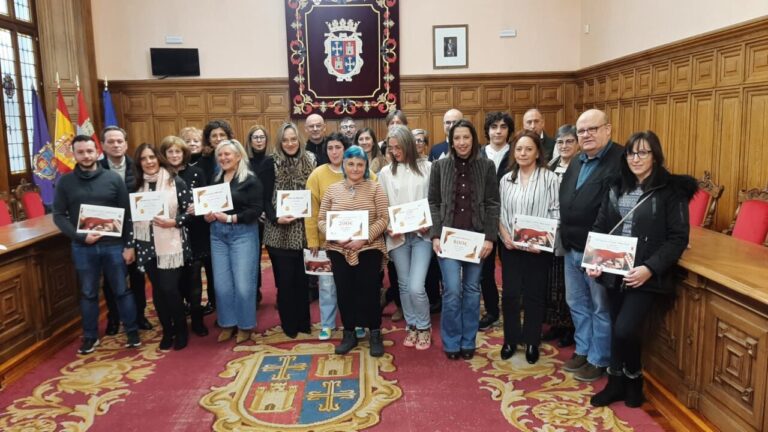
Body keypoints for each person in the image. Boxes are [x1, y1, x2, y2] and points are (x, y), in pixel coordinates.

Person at [588, 130, 695, 408]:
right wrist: (595, 261)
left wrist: (649, 268)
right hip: (613, 269)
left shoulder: (671, 189)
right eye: (631, 153)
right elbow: (601, 226)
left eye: (643, 152)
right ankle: (616, 383)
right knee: (617, 328)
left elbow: (678, 238)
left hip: (644, 273)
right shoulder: (615, 184)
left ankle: (634, 379)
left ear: (655, 155)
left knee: (625, 329)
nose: (636, 158)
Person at [53, 135, 141, 354]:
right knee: (88, 293)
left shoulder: (113, 179)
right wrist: (79, 236)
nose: (86, 156)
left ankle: (132, 333)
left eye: (89, 151)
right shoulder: (65, 181)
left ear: (97, 152)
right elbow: (58, 215)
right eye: (80, 152)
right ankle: (90, 337)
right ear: (74, 154)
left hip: (114, 244)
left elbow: (127, 215)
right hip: (83, 247)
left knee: (122, 290)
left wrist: (129, 245)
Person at [559, 109, 624, 382]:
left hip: (599, 250)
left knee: (600, 307)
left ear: (607, 129)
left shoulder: (620, 161)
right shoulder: (577, 161)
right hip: (571, 246)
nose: (585, 135)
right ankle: (584, 349)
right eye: (581, 131)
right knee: (576, 302)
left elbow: (616, 209)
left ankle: (599, 358)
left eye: (592, 129)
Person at [428, 119, 500, 360]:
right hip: (448, 239)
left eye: (466, 137)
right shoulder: (439, 166)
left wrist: (490, 238)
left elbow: (492, 203)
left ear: (474, 139)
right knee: (451, 290)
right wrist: (436, 235)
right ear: (451, 141)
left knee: (470, 291)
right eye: (457, 138)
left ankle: (468, 340)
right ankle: (451, 341)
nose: (461, 142)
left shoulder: (487, 166)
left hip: (476, 239)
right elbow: (434, 203)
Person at [318, 145, 389, 357]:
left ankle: (375, 332)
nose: (355, 168)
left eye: (360, 164)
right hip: (338, 249)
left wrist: (363, 238)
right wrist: (334, 235)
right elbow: (321, 220)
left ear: (366, 166)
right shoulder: (332, 190)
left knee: (369, 291)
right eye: (351, 164)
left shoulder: (375, 187)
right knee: (344, 291)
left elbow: (384, 218)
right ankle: (349, 333)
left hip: (368, 247)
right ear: (344, 165)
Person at [497, 131, 560, 364]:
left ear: (537, 152)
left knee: (534, 296)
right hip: (511, 247)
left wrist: (542, 242)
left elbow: (556, 212)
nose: (523, 153)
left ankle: (532, 341)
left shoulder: (549, 178)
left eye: (528, 149)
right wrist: (505, 238)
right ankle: (511, 339)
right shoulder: (506, 179)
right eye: (519, 149)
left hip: (537, 250)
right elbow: (500, 213)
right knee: (511, 295)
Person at [132, 143, 192, 351]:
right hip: (147, 245)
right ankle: (168, 331)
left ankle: (182, 330)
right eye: (143, 159)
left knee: (170, 289)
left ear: (159, 158)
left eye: (152, 157)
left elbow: (191, 213)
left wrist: (174, 221)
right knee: (158, 291)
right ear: (139, 163)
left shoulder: (176, 182)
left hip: (171, 243)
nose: (148, 162)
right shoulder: (135, 185)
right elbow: (130, 219)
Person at [379, 125, 433, 350]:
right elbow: (382, 205)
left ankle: (424, 326)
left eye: (398, 147)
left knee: (416, 286)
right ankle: (411, 325)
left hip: (422, 235)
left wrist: (427, 222)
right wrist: (389, 227)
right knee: (402, 284)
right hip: (398, 236)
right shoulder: (385, 173)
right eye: (390, 148)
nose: (394, 152)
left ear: (409, 144)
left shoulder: (428, 167)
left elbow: (434, 200)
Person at [205, 139, 264, 344]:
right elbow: (209, 206)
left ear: (238, 156)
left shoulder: (250, 180)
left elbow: (256, 210)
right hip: (217, 234)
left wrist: (230, 218)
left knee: (243, 284)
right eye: (220, 155)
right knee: (221, 284)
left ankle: (245, 326)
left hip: (242, 233)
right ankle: (228, 323)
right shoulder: (215, 179)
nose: (223, 158)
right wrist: (207, 215)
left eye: (227, 154)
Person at [262, 122, 315, 338]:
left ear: (299, 140)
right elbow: (264, 198)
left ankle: (304, 322)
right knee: (285, 281)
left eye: (293, 139)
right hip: (279, 232)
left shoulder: (311, 159)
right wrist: (276, 217)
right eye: (285, 140)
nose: (290, 143)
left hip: (304, 230)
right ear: (279, 142)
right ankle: (289, 324)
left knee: (303, 281)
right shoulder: (270, 162)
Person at [100, 126, 151, 334]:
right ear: (103, 145)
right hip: (108, 231)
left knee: (137, 276)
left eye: (119, 141)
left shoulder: (138, 166)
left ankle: (139, 315)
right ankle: (114, 317)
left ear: (126, 144)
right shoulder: (96, 168)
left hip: (136, 228)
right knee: (111, 278)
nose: (115, 145)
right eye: (110, 141)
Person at [160, 135, 209, 337]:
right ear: (163, 155)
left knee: (195, 280)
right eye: (170, 151)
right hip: (169, 234)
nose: (174, 155)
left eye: (178, 151)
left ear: (184, 153)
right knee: (176, 281)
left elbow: (206, 200)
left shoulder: (197, 173)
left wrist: (199, 206)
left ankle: (197, 318)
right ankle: (179, 316)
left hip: (195, 233)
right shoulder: (160, 176)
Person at [542, 125, 580, 348]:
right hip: (550, 232)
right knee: (553, 280)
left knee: (569, 285)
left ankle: (571, 327)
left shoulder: (580, 166)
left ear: (577, 144)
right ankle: (556, 322)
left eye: (569, 141)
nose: (564, 146)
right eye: (560, 142)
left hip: (569, 231)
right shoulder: (550, 166)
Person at [478, 111, 514, 331]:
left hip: (511, 220)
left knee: (510, 270)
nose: (498, 131)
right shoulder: (479, 154)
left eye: (503, 126)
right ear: (487, 130)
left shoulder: (516, 153)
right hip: (485, 221)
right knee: (485, 270)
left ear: (509, 131)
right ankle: (492, 310)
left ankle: (512, 309)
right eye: (493, 127)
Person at [199, 120, 235, 314]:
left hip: (233, 218)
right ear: (208, 139)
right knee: (215, 267)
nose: (218, 139)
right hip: (210, 220)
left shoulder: (237, 159)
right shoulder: (202, 161)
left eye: (222, 135)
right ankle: (216, 302)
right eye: (214, 136)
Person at [246, 125, 272, 305]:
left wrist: (265, 209)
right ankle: (254, 293)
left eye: (262, 137)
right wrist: (255, 211)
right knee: (252, 258)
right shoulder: (244, 162)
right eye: (255, 137)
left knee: (275, 256)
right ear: (250, 140)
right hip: (251, 216)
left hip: (269, 214)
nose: (259, 140)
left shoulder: (273, 160)